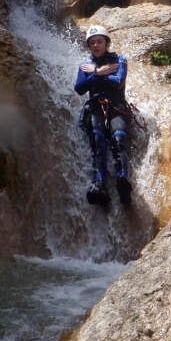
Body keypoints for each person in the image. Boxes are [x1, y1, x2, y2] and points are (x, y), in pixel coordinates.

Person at [74, 25, 132, 206]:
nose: (96, 45)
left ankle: (123, 180)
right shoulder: (86, 65)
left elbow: (117, 82)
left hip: (116, 107)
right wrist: (98, 72)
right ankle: (98, 183)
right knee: (97, 140)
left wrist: (96, 74)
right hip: (95, 108)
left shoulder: (119, 60)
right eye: (92, 42)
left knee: (118, 138)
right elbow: (79, 88)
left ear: (106, 43)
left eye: (99, 41)